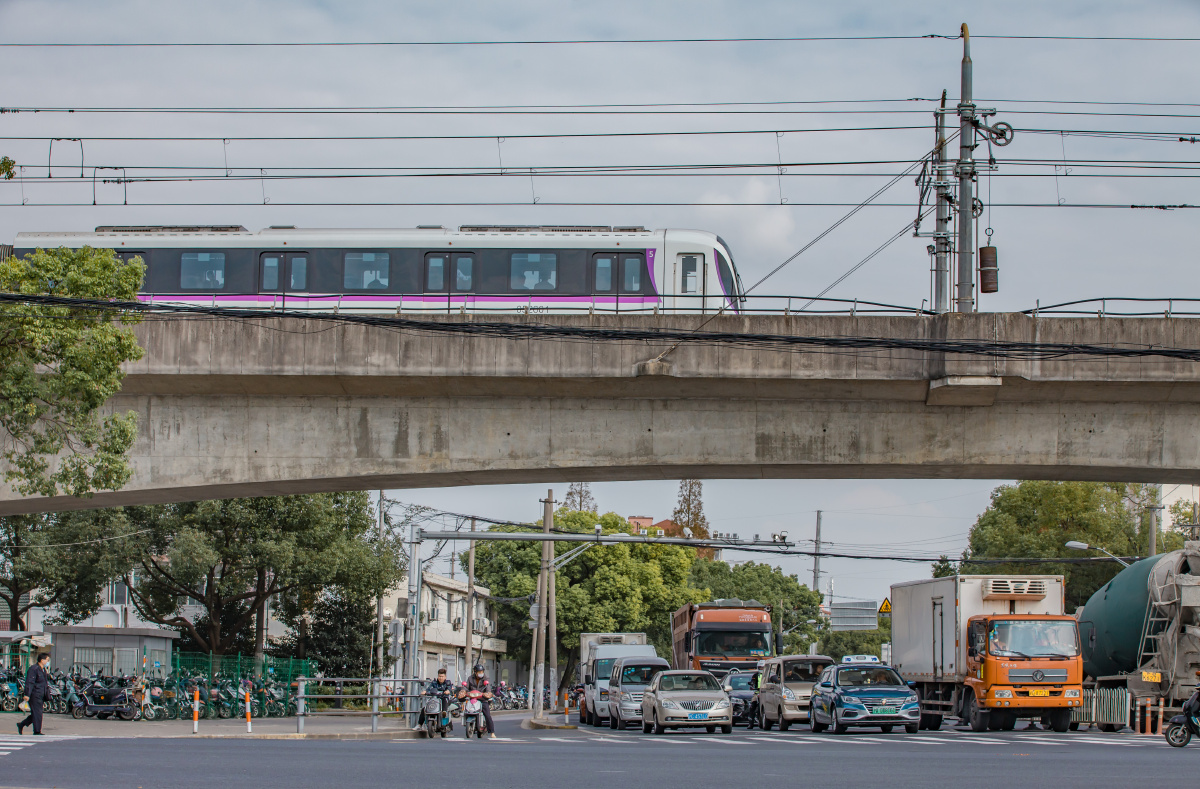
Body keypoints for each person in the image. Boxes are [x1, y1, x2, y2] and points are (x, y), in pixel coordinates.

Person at [18, 653, 50, 736]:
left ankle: (21, 724)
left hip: (41, 695)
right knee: (38, 713)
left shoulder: (43, 670)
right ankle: (37, 731)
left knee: (36, 713)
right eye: (47, 660)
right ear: (42, 660)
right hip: (34, 694)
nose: (48, 662)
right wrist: (27, 694)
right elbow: (29, 682)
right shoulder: (34, 669)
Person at [464, 663, 496, 738]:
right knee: (466, 710)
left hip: (482, 699)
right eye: (479, 672)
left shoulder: (485, 678)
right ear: (475, 672)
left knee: (487, 715)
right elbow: (466, 687)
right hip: (473, 699)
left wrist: (487, 694)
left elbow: (488, 688)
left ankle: (492, 732)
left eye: (482, 672)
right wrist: (463, 691)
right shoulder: (470, 678)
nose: (481, 673)